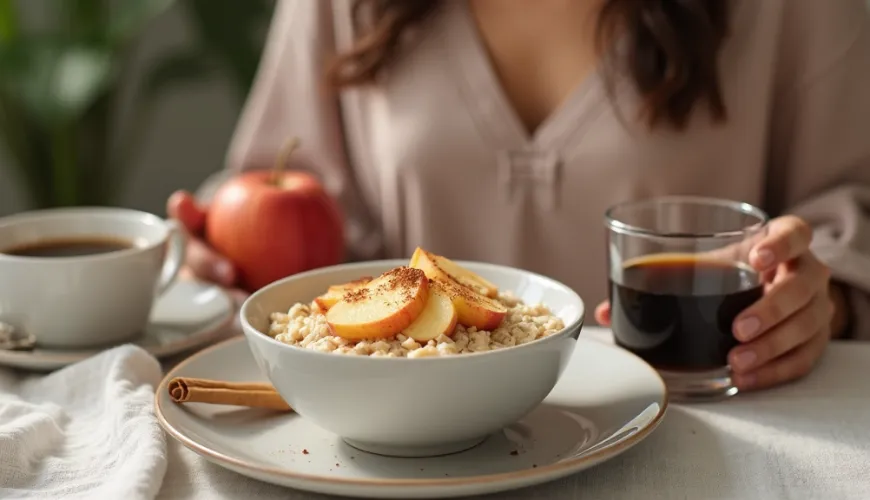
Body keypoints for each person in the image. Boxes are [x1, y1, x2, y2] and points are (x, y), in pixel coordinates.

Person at [168, 0, 870, 391]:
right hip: (396, 454)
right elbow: (276, 200)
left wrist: (822, 298)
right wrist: (220, 253)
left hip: (700, 435)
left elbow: (847, 208)